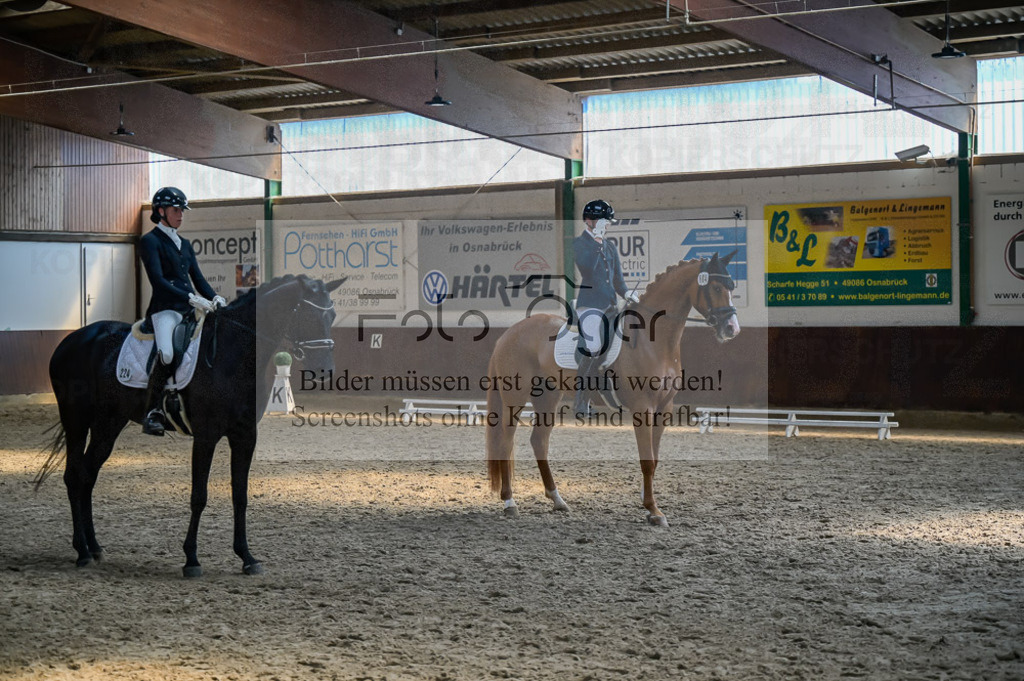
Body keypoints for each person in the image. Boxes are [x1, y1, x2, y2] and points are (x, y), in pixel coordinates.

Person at [139, 187, 225, 436]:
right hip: (165, 310)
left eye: (182, 211)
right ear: (161, 211)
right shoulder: (150, 241)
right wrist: (190, 298)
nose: (181, 215)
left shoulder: (184, 244)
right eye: (176, 211)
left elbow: (197, 278)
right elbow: (158, 281)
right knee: (166, 353)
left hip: (189, 310)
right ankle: (152, 411)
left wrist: (215, 297)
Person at [572, 199, 639, 418]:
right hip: (590, 304)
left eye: (607, 222)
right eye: (602, 221)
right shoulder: (580, 243)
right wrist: (597, 241)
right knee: (594, 345)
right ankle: (580, 401)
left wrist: (627, 292)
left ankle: (603, 382)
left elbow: (618, 279)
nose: (607, 225)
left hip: (610, 304)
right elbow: (588, 268)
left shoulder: (611, 246)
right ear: (589, 221)